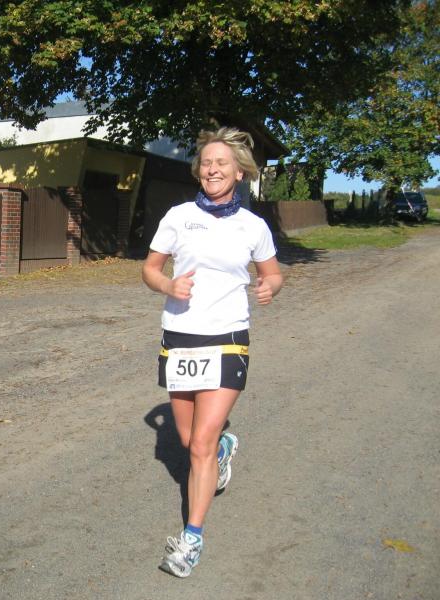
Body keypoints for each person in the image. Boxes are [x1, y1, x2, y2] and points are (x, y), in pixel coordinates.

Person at [142, 127, 283, 578]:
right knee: (190, 442)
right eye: (206, 163)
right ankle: (224, 446)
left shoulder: (253, 226)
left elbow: (273, 273)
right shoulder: (179, 217)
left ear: (240, 172)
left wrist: (270, 286)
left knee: (198, 444)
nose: (213, 169)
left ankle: (191, 538)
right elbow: (150, 269)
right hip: (180, 337)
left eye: (222, 163)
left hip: (228, 337)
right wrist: (168, 285)